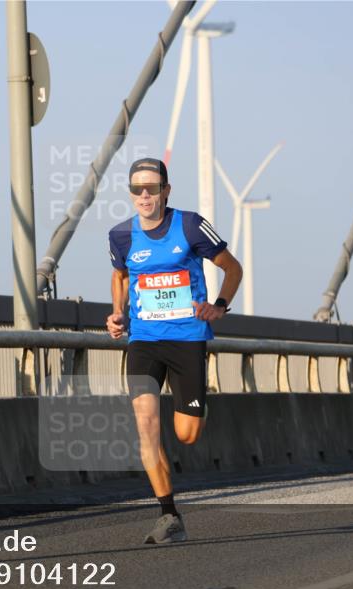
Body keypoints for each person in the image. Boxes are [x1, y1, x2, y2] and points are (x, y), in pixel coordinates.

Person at [107, 158, 242, 544]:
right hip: (144, 342)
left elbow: (233, 268)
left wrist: (219, 305)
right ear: (131, 195)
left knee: (186, 434)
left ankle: (192, 407)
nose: (144, 195)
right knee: (146, 428)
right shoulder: (120, 235)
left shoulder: (190, 225)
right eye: (137, 189)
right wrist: (118, 314)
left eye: (152, 188)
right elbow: (120, 275)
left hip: (187, 339)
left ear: (166, 190)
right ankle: (169, 514)